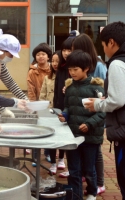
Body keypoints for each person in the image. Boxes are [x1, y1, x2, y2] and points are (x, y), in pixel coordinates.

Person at [84, 21, 125, 200]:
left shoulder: (118, 63)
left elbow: (118, 101)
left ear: (111, 42)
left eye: (104, 45)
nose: (104, 50)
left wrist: (97, 104)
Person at [58, 50, 105, 200]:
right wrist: (64, 115)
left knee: (89, 169)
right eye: (70, 69)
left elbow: (103, 112)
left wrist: (89, 124)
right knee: (74, 169)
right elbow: (68, 107)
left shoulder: (96, 88)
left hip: (90, 138)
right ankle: (76, 195)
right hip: (73, 135)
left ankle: (92, 191)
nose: (72, 73)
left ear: (86, 68)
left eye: (75, 69)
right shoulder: (70, 87)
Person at [72, 33, 107, 194]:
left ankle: (99, 183)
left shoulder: (98, 66)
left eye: (75, 49)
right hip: (81, 115)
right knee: (86, 157)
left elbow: (104, 91)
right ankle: (88, 181)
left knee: (95, 153)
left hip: (95, 115)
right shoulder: (76, 72)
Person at [0, 34, 28, 118]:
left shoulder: (0, 63)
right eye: (10, 55)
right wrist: (3, 109)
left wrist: (26, 100)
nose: (11, 58)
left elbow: (10, 82)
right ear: (1, 50)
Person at [52, 38, 73, 173]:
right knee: (56, 134)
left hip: (71, 108)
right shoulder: (61, 69)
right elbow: (56, 91)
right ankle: (54, 161)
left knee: (68, 137)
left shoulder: (77, 68)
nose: (65, 53)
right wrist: (55, 107)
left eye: (69, 50)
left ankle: (63, 161)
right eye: (64, 50)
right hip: (60, 107)